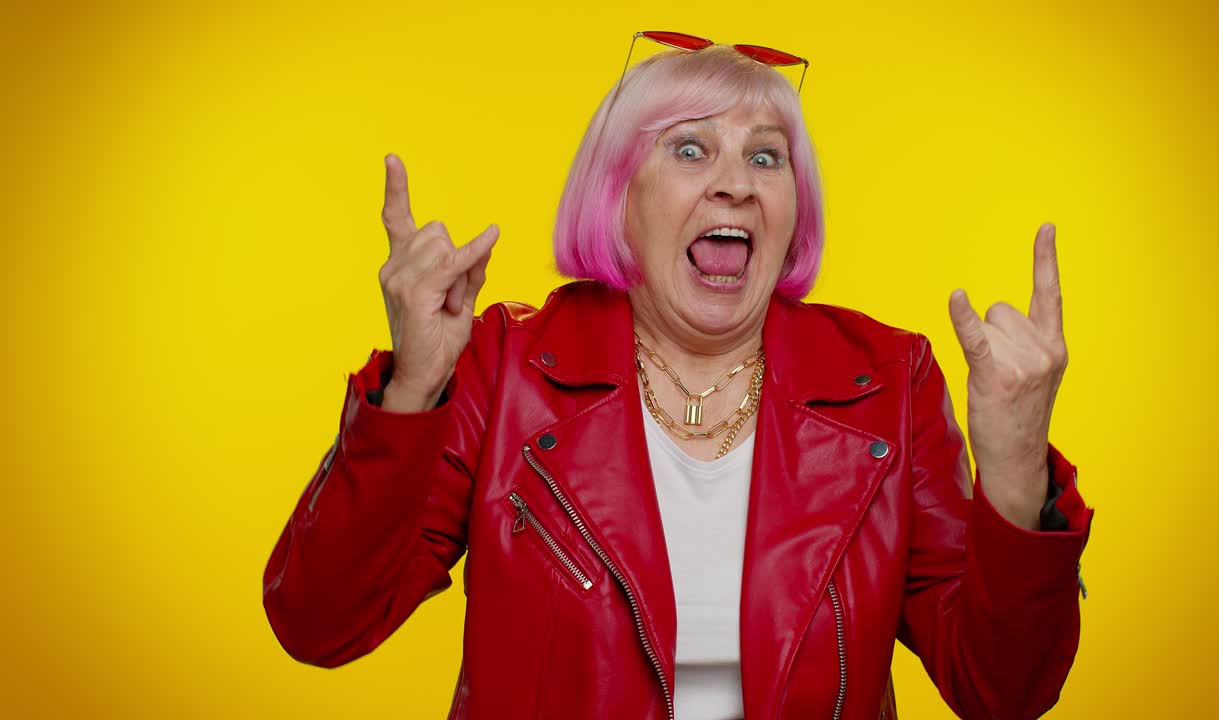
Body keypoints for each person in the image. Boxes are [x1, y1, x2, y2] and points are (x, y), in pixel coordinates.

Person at [263, 34, 1094, 720]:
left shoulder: (887, 380)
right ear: (617, 195)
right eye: (690, 149)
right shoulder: (503, 364)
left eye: (766, 157)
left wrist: (1016, 469)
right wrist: (413, 389)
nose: (735, 184)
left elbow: (1003, 691)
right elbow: (320, 622)